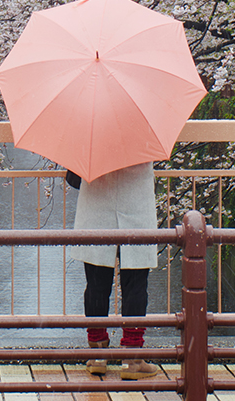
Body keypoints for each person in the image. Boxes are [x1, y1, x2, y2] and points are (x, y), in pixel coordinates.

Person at [68, 162, 159, 380]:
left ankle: (98, 353)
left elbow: (73, 178)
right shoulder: (144, 130)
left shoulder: (89, 130)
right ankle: (132, 358)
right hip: (136, 202)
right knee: (136, 284)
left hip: (96, 204)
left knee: (96, 285)